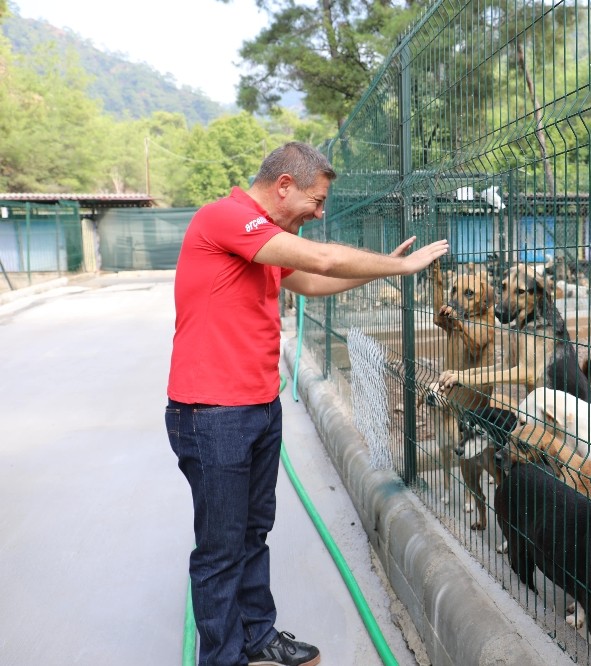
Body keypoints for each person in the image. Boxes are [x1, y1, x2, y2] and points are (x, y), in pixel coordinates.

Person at [165, 141, 449, 666]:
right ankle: (222, 658)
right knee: (221, 549)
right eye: (316, 202)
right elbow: (320, 258)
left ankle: (257, 635)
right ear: (284, 186)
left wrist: (384, 267)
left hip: (257, 407)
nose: (320, 213)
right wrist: (404, 269)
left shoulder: (269, 245)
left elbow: (315, 280)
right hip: (211, 414)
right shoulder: (225, 218)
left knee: (254, 532)